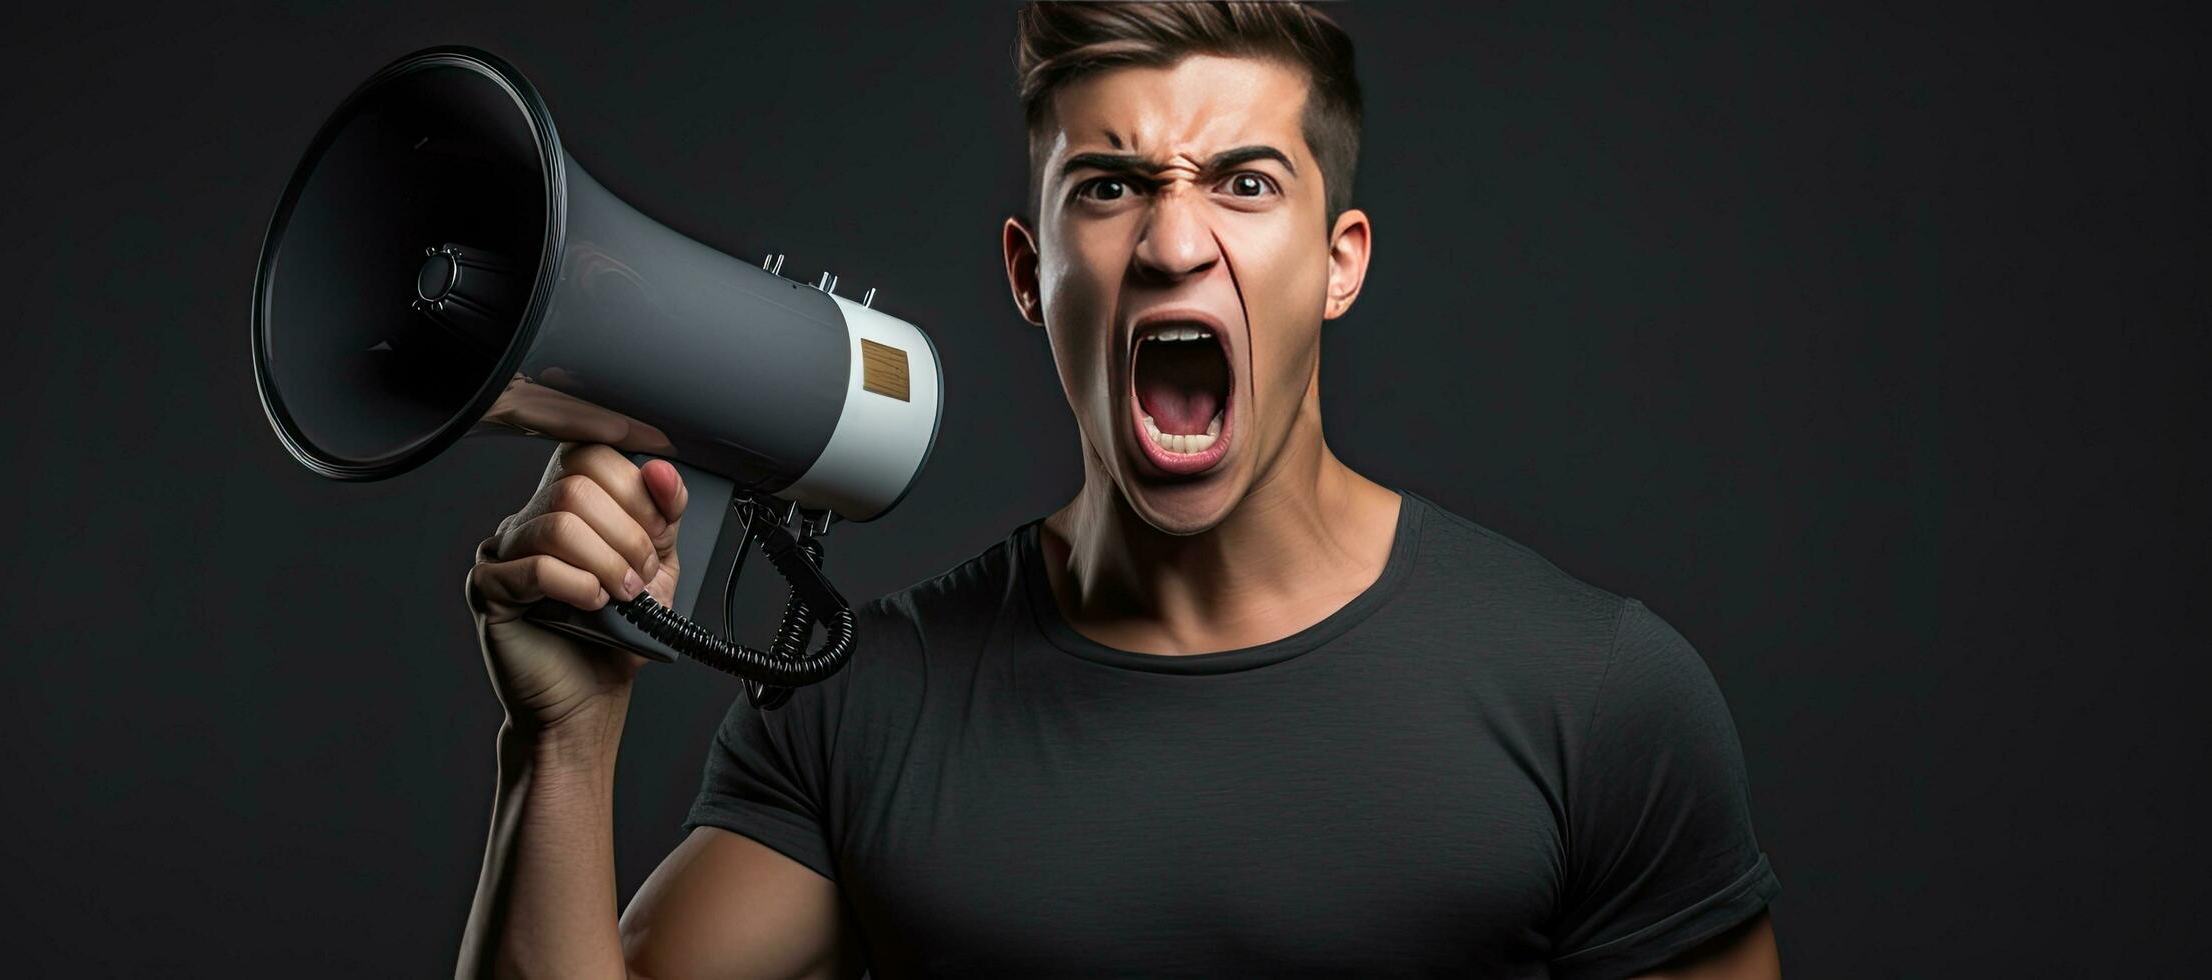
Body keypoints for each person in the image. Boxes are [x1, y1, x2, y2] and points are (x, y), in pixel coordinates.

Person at [454, 3, 1782, 977]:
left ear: (1340, 261)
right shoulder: (864, 708)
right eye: (1111, 186)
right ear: (1032, 274)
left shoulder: (1595, 696)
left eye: (1245, 183)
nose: (1171, 242)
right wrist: (559, 741)